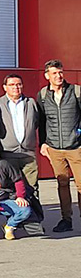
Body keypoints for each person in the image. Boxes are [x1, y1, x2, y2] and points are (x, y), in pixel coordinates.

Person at [35, 59, 81, 233]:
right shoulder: (43, 95)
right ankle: (66, 219)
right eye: (54, 73)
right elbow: (42, 121)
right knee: (62, 183)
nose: (58, 76)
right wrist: (43, 143)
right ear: (47, 75)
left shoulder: (76, 91)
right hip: (55, 148)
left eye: (60, 72)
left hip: (76, 147)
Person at [0, 74, 40, 191]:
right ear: (5, 87)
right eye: (12, 85)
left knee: (32, 187)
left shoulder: (30, 102)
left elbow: (36, 122)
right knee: (12, 188)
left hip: (28, 153)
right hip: (8, 154)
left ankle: (33, 204)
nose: (16, 87)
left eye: (18, 84)